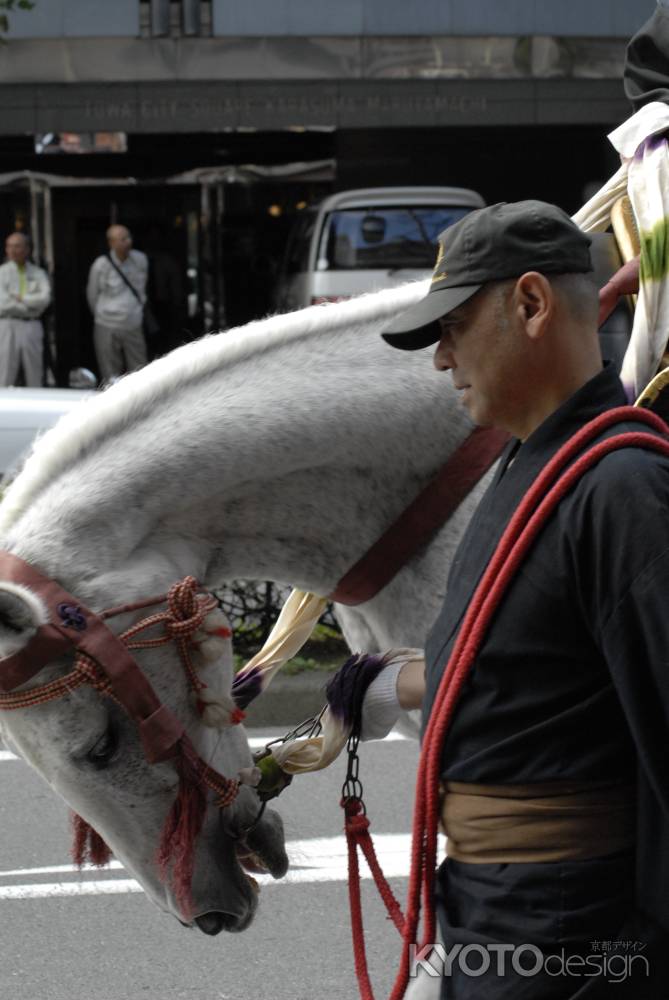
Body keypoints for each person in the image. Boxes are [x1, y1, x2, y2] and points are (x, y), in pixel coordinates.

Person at [357, 201, 669, 998]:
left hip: (569, 942)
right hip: (491, 917)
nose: (439, 359)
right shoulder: (530, 467)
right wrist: (380, 684)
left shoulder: (621, 488)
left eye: (452, 326)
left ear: (529, 305)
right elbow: (515, 670)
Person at [86, 224, 148, 382]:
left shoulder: (140, 259)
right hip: (106, 322)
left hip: (132, 321)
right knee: (110, 371)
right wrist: (101, 313)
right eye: (122, 239)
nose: (127, 242)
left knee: (139, 369)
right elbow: (92, 294)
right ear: (111, 243)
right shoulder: (101, 264)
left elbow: (142, 288)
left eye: (128, 237)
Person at [0, 232, 50, 387]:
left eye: (17, 246)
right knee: (5, 371)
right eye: (9, 246)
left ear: (27, 249)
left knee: (34, 371)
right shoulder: (1, 272)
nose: (13, 250)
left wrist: (21, 299)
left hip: (32, 324)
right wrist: (30, 305)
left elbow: (44, 299)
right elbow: (2, 303)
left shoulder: (38, 273)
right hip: (7, 324)